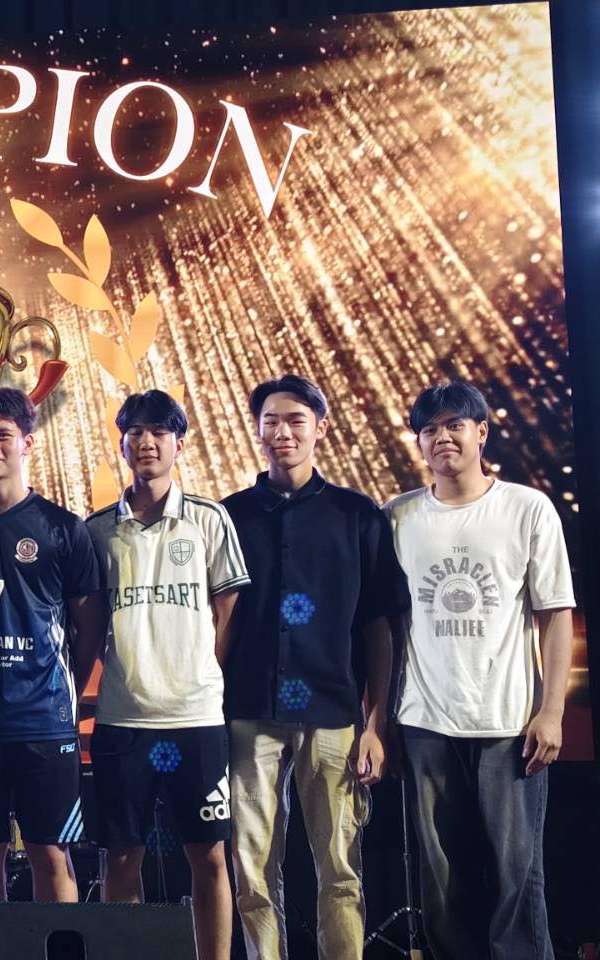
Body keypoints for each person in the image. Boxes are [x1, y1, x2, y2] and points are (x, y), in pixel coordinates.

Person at [385, 380, 573, 960]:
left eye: (455, 425)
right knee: (443, 885)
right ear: (419, 442)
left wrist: (551, 712)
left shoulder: (526, 508)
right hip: (426, 724)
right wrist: (381, 720)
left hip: (508, 725)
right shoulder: (397, 516)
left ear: (481, 432)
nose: (443, 437)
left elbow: (555, 614)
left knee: (518, 879)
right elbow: (385, 627)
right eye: (430, 429)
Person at [221, 374, 405, 960]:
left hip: (333, 713)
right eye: (271, 421)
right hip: (249, 710)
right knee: (250, 867)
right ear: (257, 431)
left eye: (296, 420)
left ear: (320, 428)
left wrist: (376, 723)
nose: (283, 432)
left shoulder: (358, 515)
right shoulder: (229, 516)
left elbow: (379, 625)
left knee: (340, 869)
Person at [82, 391, 248, 960]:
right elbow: (88, 624)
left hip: (195, 719)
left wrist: (201, 672)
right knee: (120, 855)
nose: (147, 442)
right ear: (122, 443)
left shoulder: (209, 518)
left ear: (179, 443)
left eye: (159, 432)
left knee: (208, 855)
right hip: (122, 719)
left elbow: (227, 610)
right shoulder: (97, 530)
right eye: (135, 432)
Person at [0, 386, 107, 903]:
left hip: (43, 720)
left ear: (27, 443)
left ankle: (61, 944)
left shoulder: (63, 528)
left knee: (49, 854)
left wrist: (65, 687)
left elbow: (89, 625)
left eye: (2, 435)